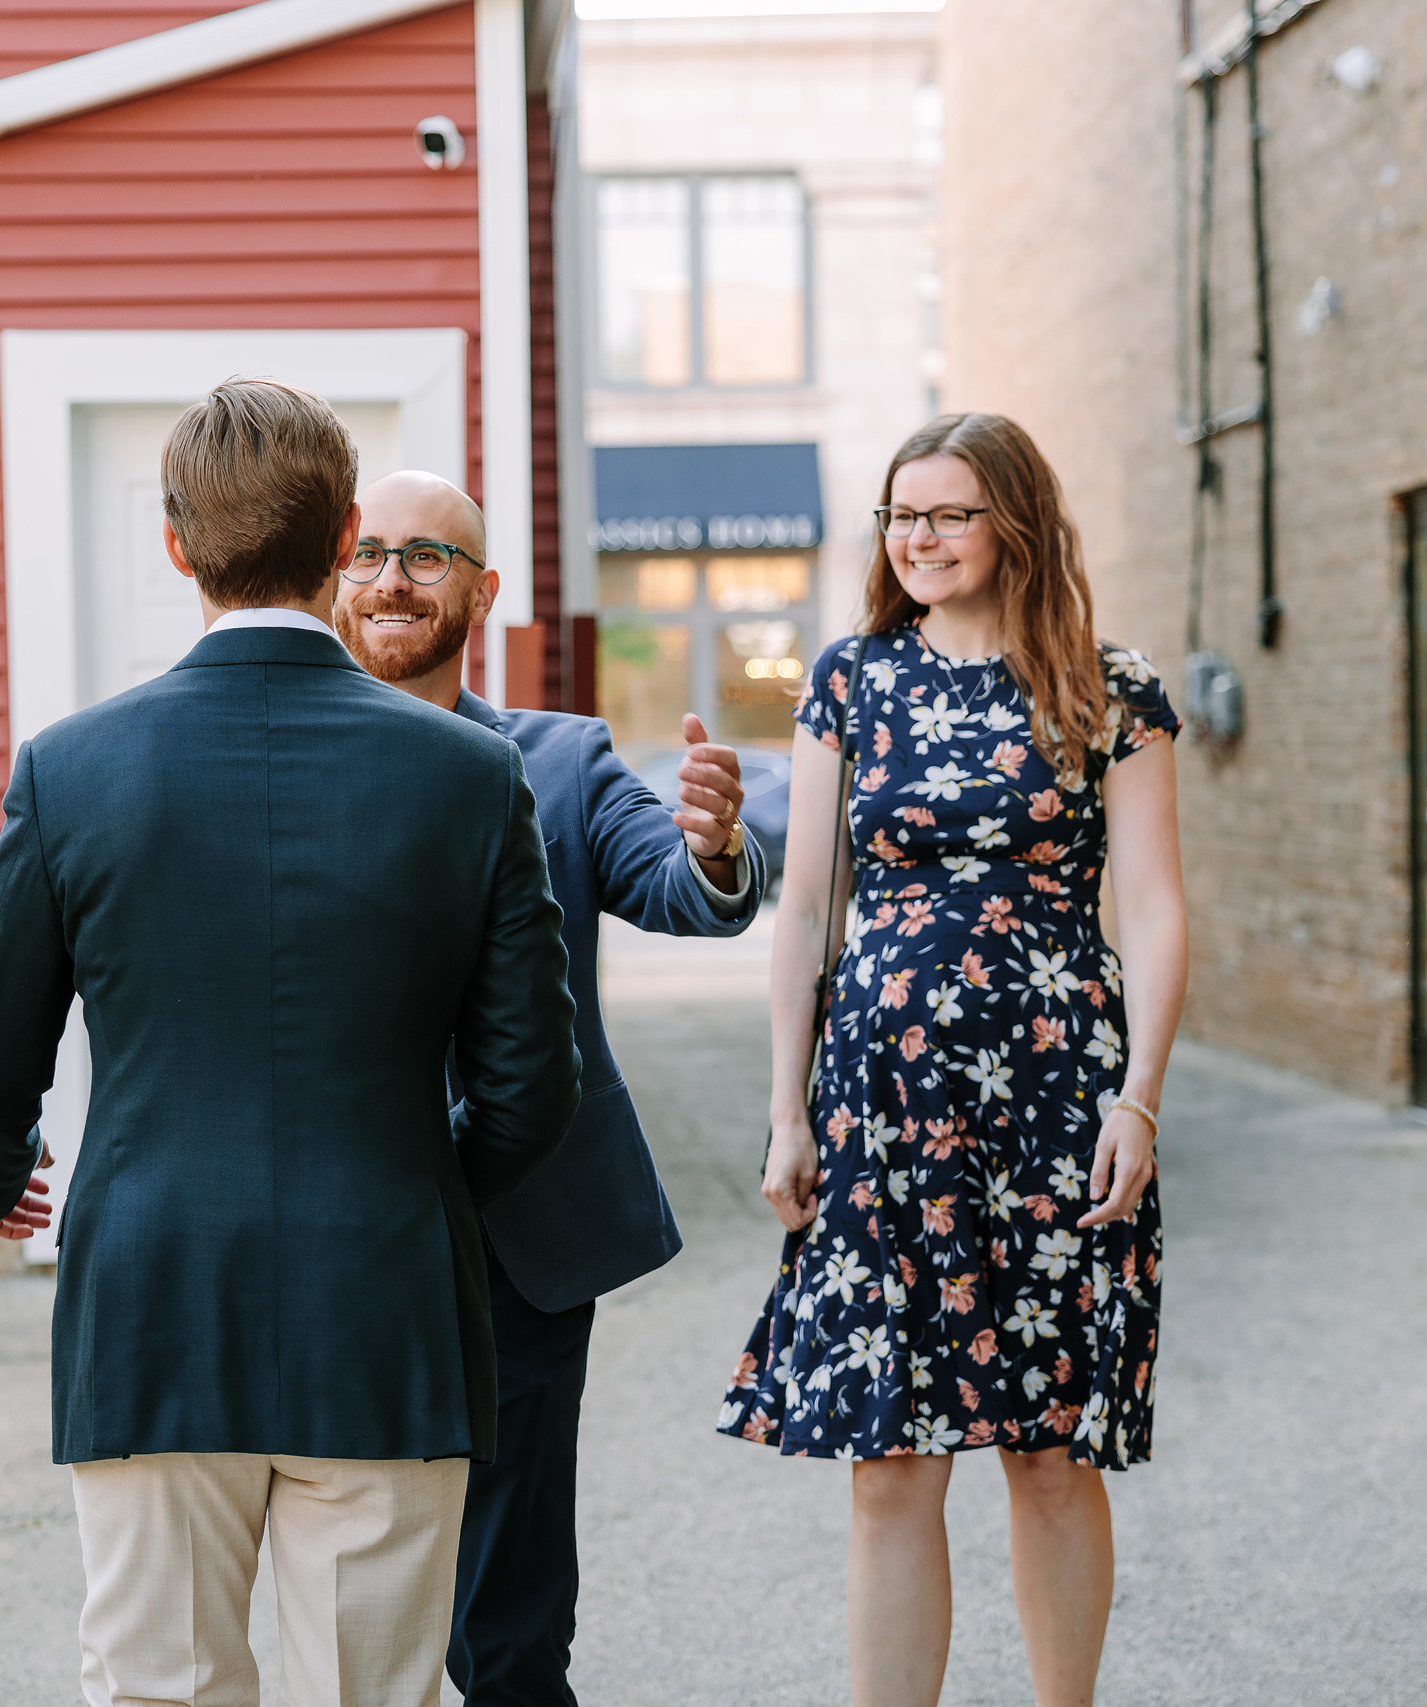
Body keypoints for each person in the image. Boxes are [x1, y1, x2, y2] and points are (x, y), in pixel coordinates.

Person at [0, 382, 582, 1707]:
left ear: (177, 544)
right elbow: (530, 1083)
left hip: (151, 1298)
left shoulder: (74, 766)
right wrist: (418, 1184)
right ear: (346, 537)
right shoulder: (470, 774)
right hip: (391, 1300)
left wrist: (2, 1169)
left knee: (162, 1684)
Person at [718, 412, 1189, 1707]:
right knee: (893, 1456)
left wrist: (1139, 1095)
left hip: (1057, 1102)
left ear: (1014, 525)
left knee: (1047, 1450)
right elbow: (806, 905)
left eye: (948, 513)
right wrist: (786, 1110)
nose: (917, 538)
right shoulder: (852, 680)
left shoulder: (1108, 687)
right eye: (900, 516)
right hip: (885, 1107)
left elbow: (1150, 907)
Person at [332, 470, 765, 1706]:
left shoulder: (563, 760)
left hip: (519, 1225)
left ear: (484, 592)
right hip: (337, 1213)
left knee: (513, 1608)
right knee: (353, 1564)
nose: (395, 576)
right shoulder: (276, 757)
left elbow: (683, 894)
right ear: (330, 578)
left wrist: (716, 846)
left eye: (428, 554)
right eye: (369, 553)